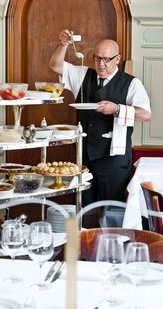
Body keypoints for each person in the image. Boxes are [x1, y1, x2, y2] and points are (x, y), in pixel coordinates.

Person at [49, 29, 151, 207]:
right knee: (83, 205)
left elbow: (145, 114)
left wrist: (117, 109)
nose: (101, 64)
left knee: (113, 208)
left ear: (117, 59)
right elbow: (55, 65)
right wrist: (63, 44)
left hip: (114, 157)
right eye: (97, 58)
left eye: (107, 59)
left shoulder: (131, 83)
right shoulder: (83, 75)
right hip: (84, 155)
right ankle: (83, 235)